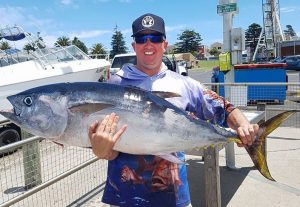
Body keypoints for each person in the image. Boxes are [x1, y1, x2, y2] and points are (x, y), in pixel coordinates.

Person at [88, 13, 259, 207]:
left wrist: (243, 126)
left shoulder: (185, 84)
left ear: (165, 44)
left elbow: (225, 107)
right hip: (124, 198)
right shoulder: (115, 84)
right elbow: (107, 144)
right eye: (142, 38)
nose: (149, 44)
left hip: (174, 197)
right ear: (134, 45)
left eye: (156, 38)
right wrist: (101, 151)